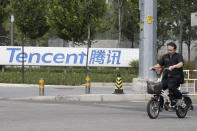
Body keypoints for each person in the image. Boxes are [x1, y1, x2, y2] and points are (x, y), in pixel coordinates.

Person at [149, 42, 184, 106]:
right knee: (158, 88)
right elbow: (159, 64)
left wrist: (174, 66)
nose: (169, 51)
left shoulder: (178, 56)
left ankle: (179, 97)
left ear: (174, 50)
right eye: (168, 50)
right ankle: (160, 104)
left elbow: (181, 64)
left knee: (171, 87)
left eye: (171, 50)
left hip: (176, 77)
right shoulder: (165, 56)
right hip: (166, 77)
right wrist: (153, 67)